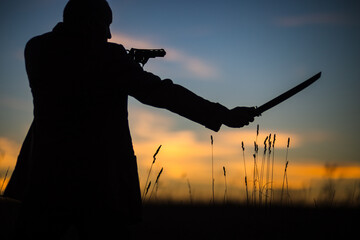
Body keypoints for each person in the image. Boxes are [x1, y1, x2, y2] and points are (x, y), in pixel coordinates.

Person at [4, 0, 256, 238]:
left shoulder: (36, 49)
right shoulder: (110, 58)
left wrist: (125, 65)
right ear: (92, 24)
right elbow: (161, 93)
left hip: (45, 175)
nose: (110, 35)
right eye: (106, 26)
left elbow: (82, 77)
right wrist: (222, 114)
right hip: (100, 182)